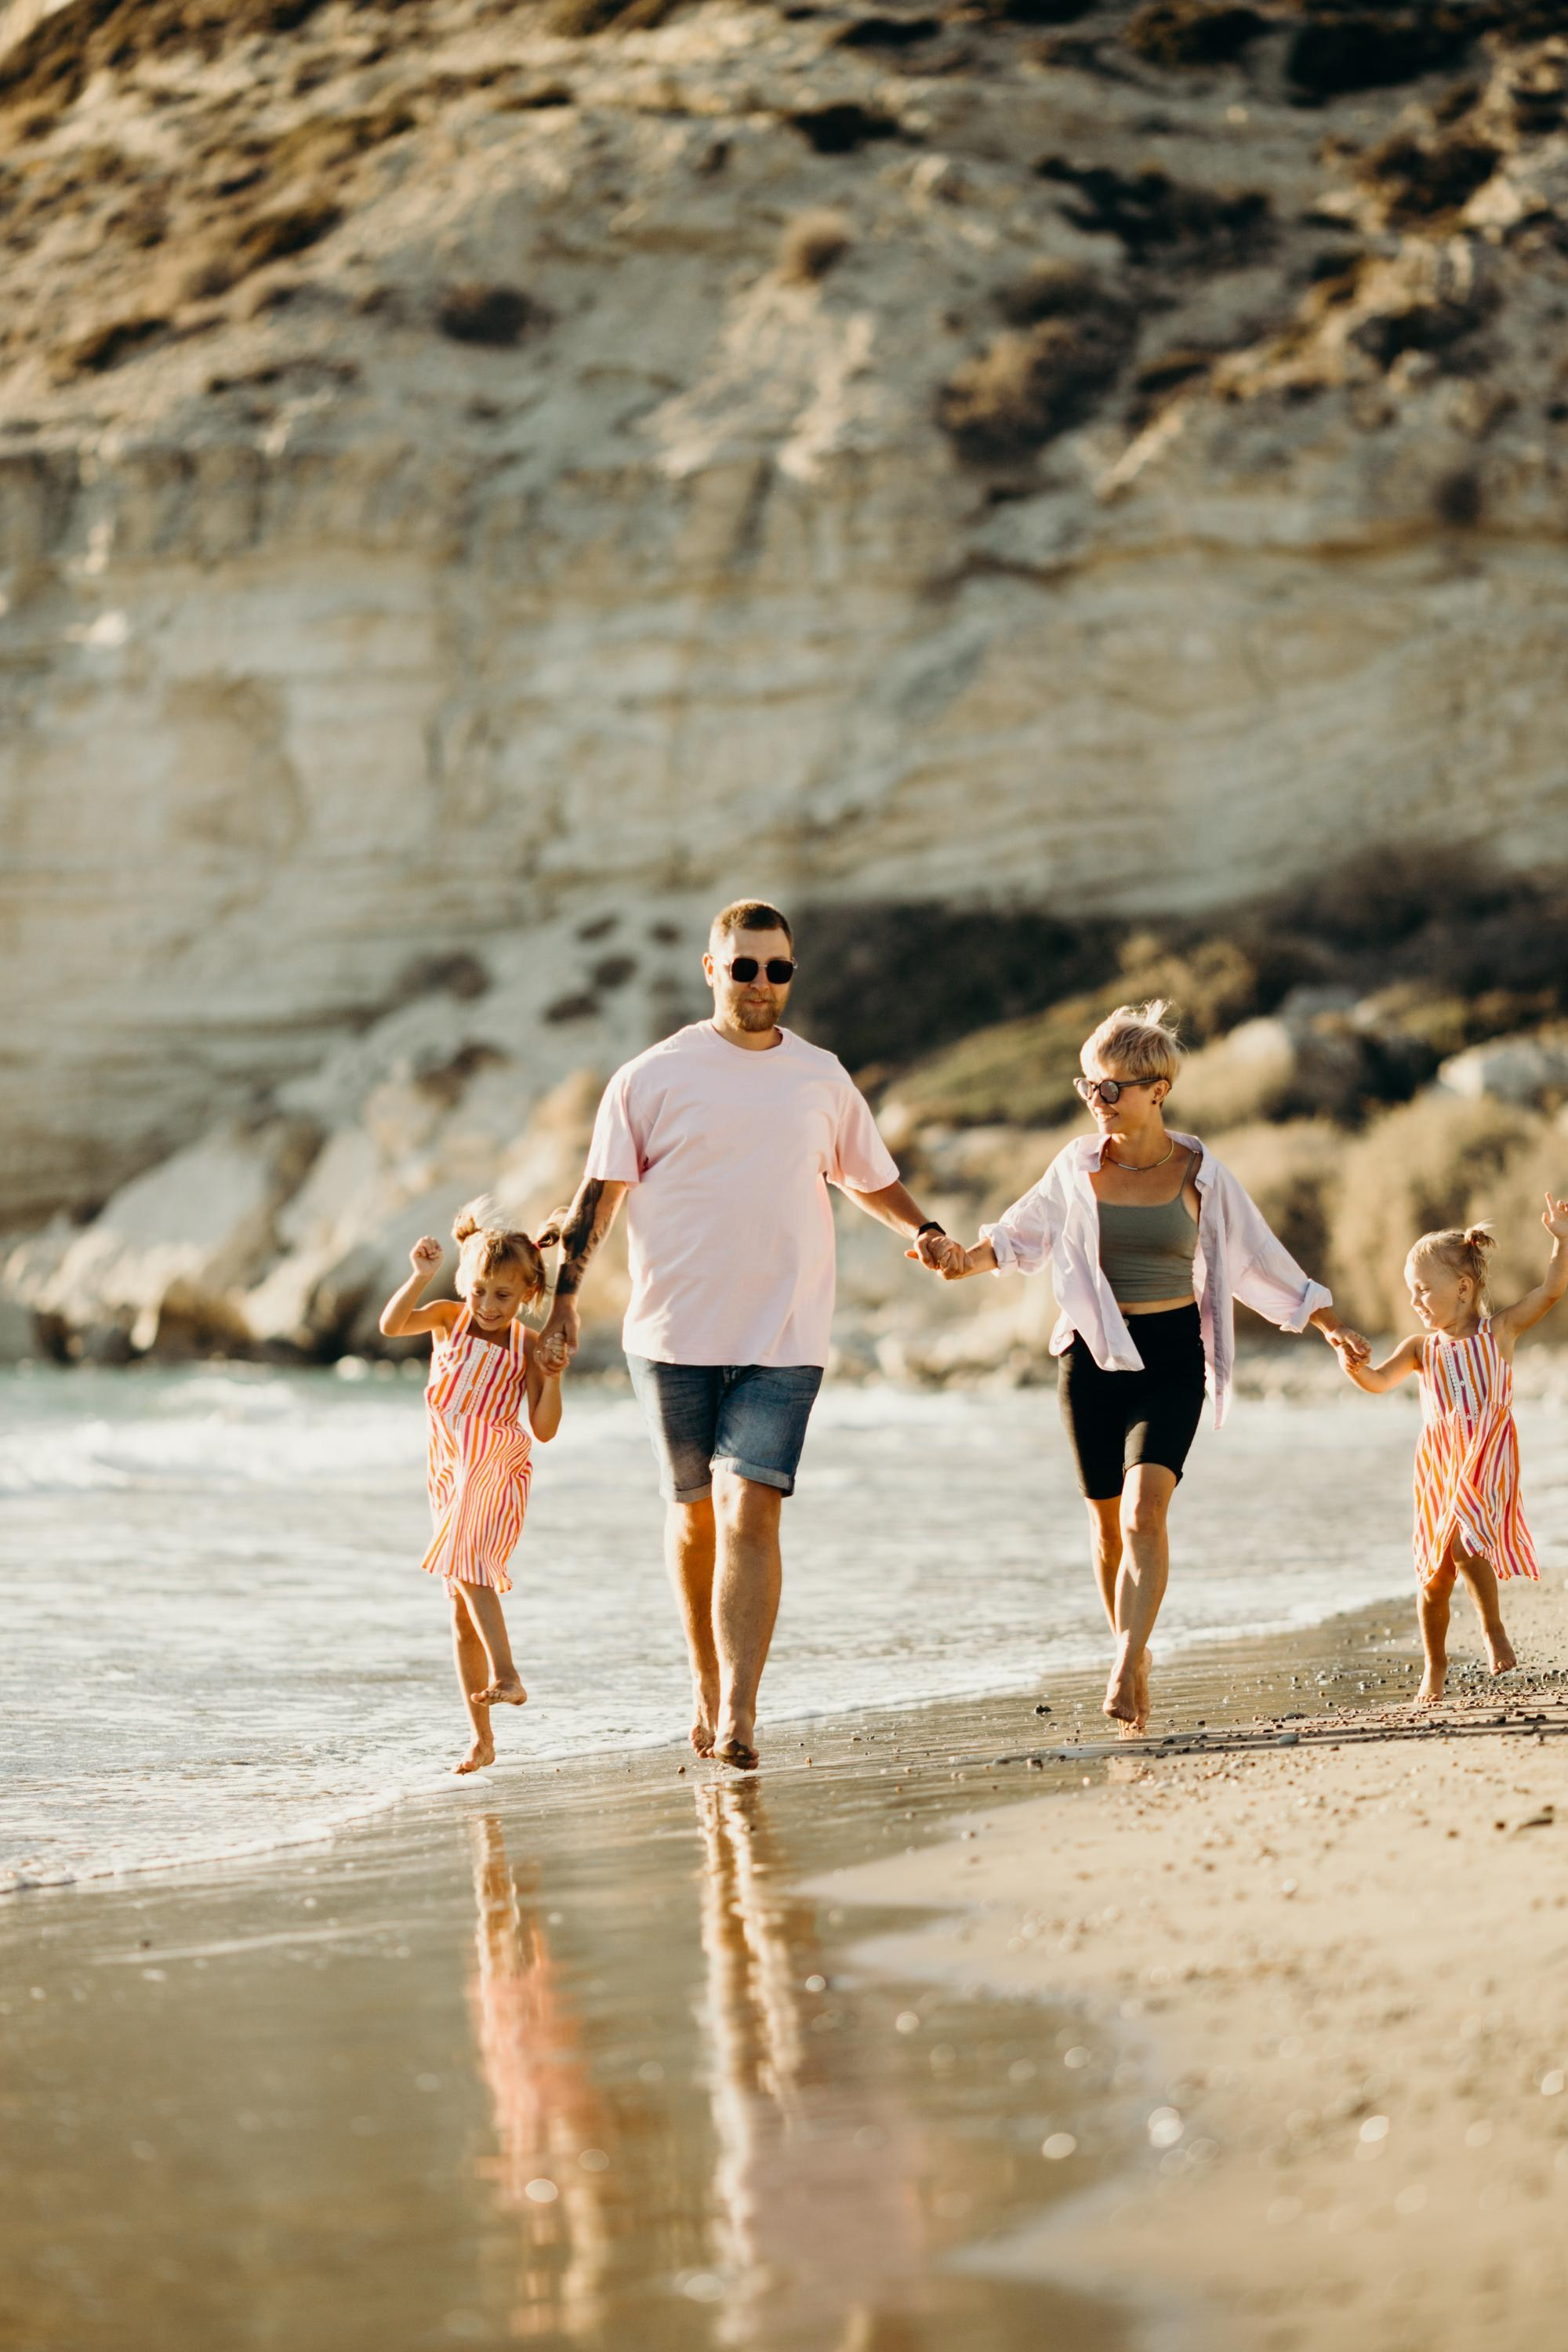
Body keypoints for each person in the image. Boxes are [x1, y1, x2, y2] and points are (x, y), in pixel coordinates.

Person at [538, 900, 945, 1772]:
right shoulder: (648, 1077)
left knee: (751, 1510)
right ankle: (702, 1681)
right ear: (711, 969)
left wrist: (923, 1232)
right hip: (670, 1335)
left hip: (785, 1334)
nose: (762, 985)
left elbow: (866, 1177)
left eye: (778, 969)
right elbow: (596, 1199)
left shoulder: (820, 1077)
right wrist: (563, 1301)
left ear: (791, 974)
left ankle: (738, 1712)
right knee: (692, 1518)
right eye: (744, 967)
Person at [913, 1000, 1370, 1734]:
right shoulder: (1076, 1167)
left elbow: (1257, 1259)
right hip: (1091, 1361)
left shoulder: (1202, 1175)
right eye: (1087, 1087)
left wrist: (1327, 1321)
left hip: (1170, 1358)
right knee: (1104, 1530)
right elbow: (1015, 1239)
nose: (1097, 1102)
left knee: (1143, 1512)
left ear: (1157, 1090)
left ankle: (1126, 1662)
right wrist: (956, 1260)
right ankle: (1134, 1649)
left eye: (1111, 1088)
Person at [1337, 1207, 1567, 1703]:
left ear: (1463, 1288)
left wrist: (1562, 1242)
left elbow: (1549, 1291)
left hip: (1487, 1452)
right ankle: (1435, 1665)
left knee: (1466, 1542)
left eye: (1423, 1288)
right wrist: (1351, 1364)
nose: (1414, 1300)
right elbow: (1377, 1382)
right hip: (1441, 1464)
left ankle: (1492, 1630)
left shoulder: (1498, 1332)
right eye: (1410, 1290)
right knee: (1434, 1578)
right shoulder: (1421, 1349)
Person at [379, 1201, 568, 1774]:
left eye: (504, 1297)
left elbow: (544, 1428)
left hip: (494, 1463)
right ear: (466, 1283)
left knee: (464, 1566)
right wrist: (417, 1276)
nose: (488, 1306)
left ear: (528, 1296)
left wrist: (553, 1378)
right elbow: (390, 1327)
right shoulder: (445, 1318)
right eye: (481, 1291)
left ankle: (508, 1673)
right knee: (459, 1610)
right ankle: (482, 1738)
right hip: (448, 1469)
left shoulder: (527, 1347)